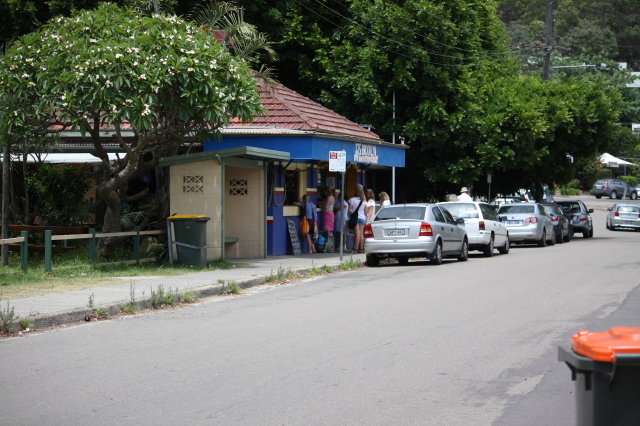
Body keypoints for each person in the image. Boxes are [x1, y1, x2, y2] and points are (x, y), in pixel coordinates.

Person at [348, 185, 366, 254]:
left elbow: (349, 210)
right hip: (362, 218)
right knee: (361, 233)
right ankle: (361, 249)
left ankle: (355, 248)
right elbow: (366, 211)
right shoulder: (364, 201)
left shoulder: (352, 200)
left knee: (357, 233)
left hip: (355, 218)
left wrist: (352, 213)